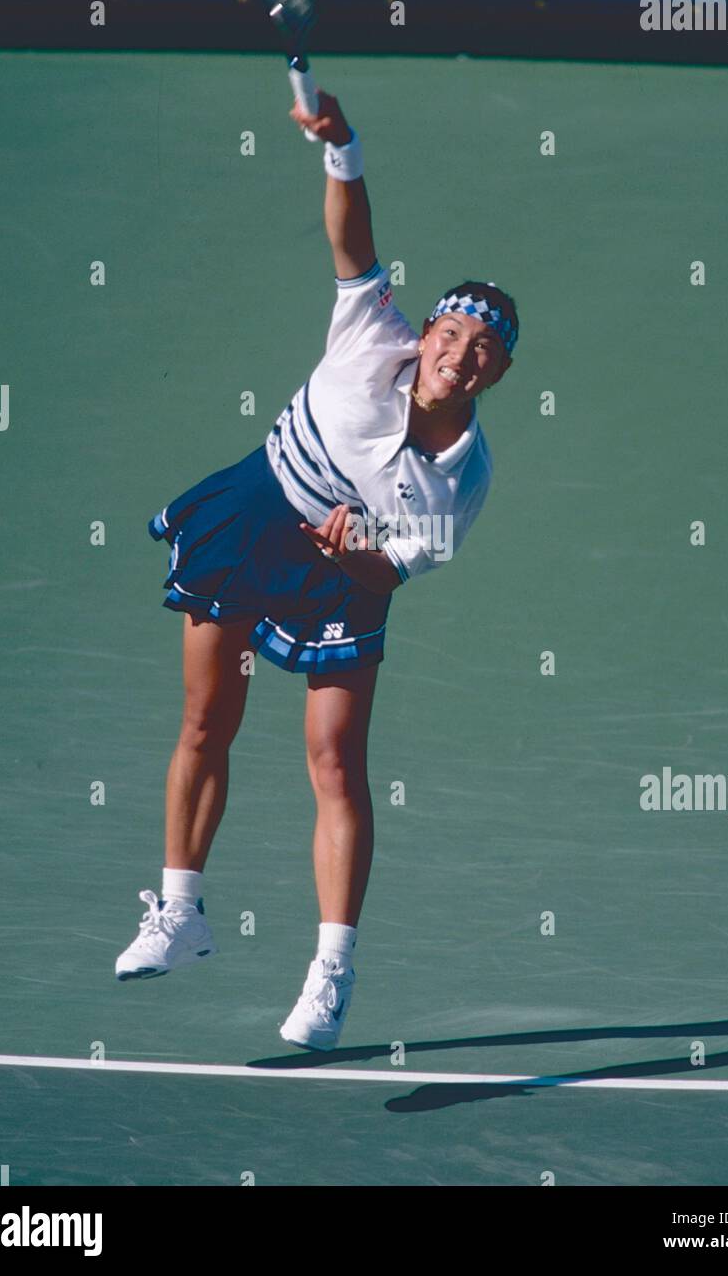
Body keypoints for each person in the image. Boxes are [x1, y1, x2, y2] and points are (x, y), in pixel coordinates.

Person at [114, 89, 520, 1051]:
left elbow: (393, 578)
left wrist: (359, 554)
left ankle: (330, 972)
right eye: (452, 335)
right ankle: (180, 913)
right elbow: (353, 235)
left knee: (335, 764)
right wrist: (343, 147)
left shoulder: (464, 478)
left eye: (482, 354)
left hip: (342, 576)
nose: (459, 357)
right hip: (252, 515)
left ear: (494, 377)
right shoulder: (369, 329)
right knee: (207, 720)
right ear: (424, 334)